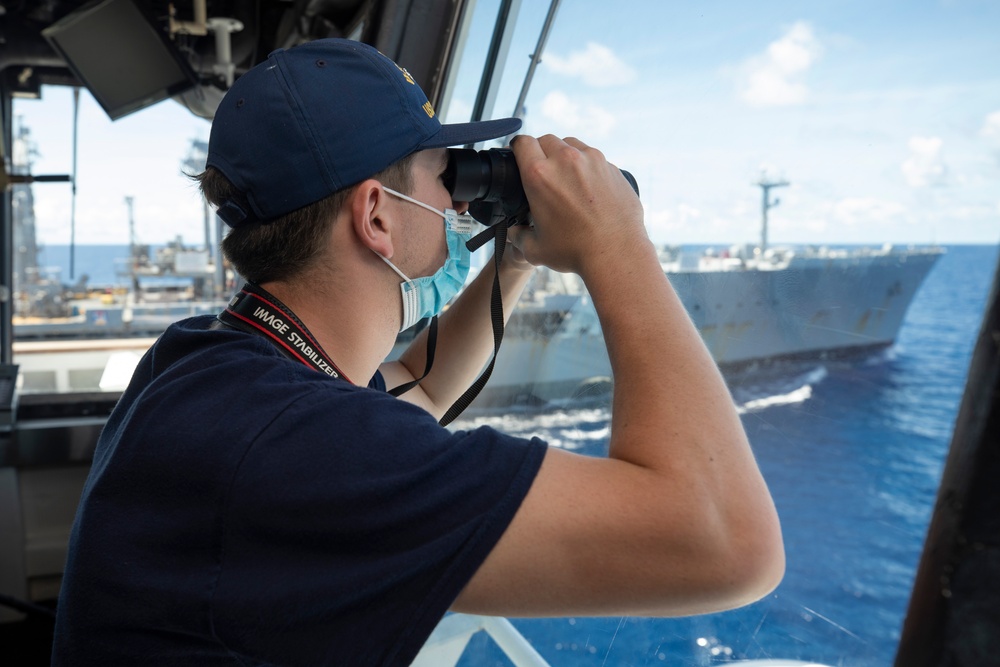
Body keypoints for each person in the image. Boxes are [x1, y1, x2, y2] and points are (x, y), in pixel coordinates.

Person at [52, 38, 784, 665]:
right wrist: (617, 242)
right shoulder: (294, 442)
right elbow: (727, 541)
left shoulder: (214, 359)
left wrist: (515, 258)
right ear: (376, 213)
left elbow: (416, 389)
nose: (459, 205)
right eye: (444, 176)